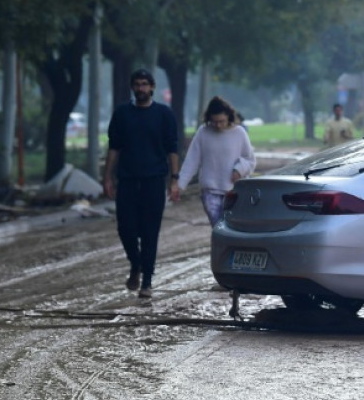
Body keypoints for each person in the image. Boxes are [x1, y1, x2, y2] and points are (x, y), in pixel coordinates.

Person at [102, 69, 180, 299]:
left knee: (149, 232)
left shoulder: (164, 115)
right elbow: (114, 147)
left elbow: (172, 149)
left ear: (152, 87)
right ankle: (135, 264)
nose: (141, 89)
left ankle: (147, 280)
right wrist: (107, 176)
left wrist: (174, 179)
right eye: (137, 84)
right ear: (132, 87)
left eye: (145, 84)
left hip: (154, 180)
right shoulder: (122, 113)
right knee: (125, 229)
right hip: (127, 179)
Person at [178, 96, 256, 226]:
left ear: (229, 117)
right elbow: (191, 161)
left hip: (235, 191)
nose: (218, 125)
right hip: (210, 191)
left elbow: (250, 160)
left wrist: (239, 170)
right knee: (218, 227)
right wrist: (180, 185)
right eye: (214, 122)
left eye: (221, 121)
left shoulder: (239, 133)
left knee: (234, 227)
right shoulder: (203, 132)